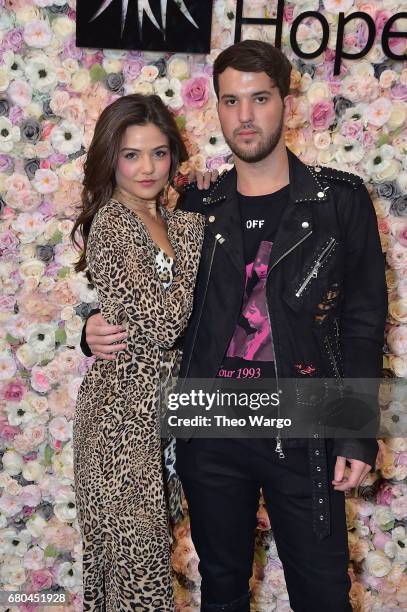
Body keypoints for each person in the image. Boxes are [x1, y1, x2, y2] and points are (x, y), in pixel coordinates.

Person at [80, 42, 387, 612]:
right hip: (209, 427)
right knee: (221, 592)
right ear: (217, 109)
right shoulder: (195, 205)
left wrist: (354, 432)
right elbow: (144, 279)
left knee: (322, 595)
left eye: (260, 98)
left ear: (285, 104)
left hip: (301, 426)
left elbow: (363, 322)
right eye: (231, 101)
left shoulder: (338, 202)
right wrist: (92, 326)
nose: (245, 116)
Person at [71, 93, 205, 611]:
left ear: (174, 154)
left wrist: (190, 212)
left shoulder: (168, 220)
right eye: (131, 155)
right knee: (138, 577)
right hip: (119, 425)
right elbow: (162, 321)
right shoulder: (113, 223)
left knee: (135, 575)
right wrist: (197, 226)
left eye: (159, 153)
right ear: (111, 158)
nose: (147, 168)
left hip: (160, 424)